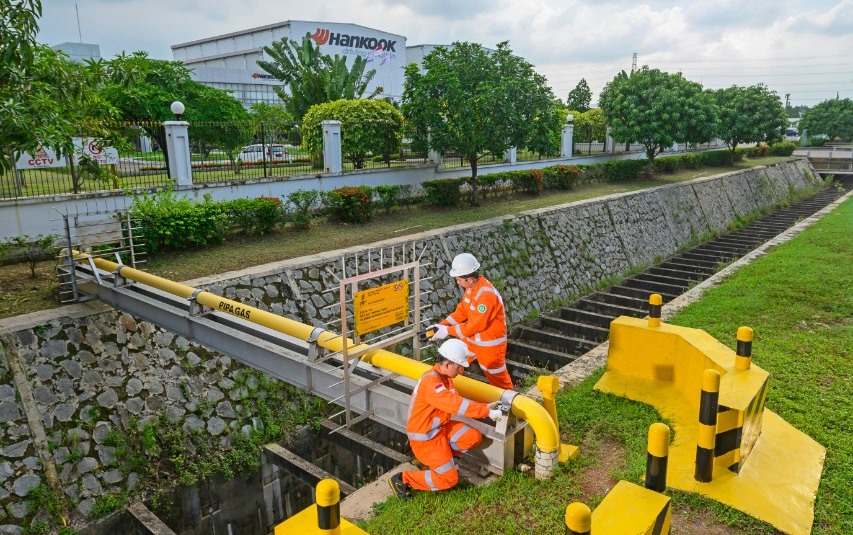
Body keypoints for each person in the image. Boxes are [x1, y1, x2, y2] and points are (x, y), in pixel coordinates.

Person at [389, 339, 503, 499]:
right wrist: (485, 411)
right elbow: (454, 404)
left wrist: (485, 407)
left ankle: (443, 459)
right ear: (448, 364)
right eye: (459, 367)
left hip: (440, 430)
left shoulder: (444, 378)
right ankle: (404, 479)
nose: (461, 371)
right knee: (449, 479)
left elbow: (456, 402)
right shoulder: (432, 383)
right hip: (426, 440)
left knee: (473, 437)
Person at [430, 253, 515, 390]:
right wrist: (443, 324)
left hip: (490, 345)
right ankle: (448, 389)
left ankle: (511, 405)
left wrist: (448, 331)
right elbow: (462, 311)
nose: (457, 283)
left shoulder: (486, 295)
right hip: (472, 340)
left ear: (469, 279)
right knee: (454, 361)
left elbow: (475, 325)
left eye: (458, 280)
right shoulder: (471, 289)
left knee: (498, 379)